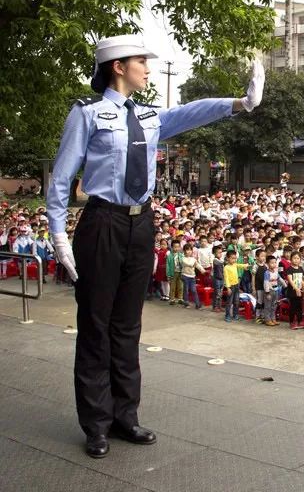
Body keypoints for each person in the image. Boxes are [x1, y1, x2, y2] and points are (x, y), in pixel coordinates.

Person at [46, 34, 265, 458]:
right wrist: (57, 234)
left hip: (140, 223)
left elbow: (192, 112)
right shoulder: (87, 113)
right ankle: (95, 424)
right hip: (103, 221)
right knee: (96, 325)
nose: (147, 67)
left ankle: (125, 416)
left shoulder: (148, 117)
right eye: (140, 61)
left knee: (128, 325)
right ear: (117, 66)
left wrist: (240, 103)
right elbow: (60, 177)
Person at [286, 250, 304, 329]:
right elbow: (290, 280)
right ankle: (292, 322)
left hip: (300, 291)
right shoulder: (289, 269)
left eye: (298, 258)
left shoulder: (300, 268)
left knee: (299, 307)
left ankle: (300, 321)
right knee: (293, 307)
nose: (296, 260)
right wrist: (296, 288)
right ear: (291, 259)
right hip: (292, 291)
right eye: (294, 258)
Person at [263, 255, 285, 326]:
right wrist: (267, 293)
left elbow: (280, 279)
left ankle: (273, 319)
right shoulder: (267, 273)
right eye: (272, 263)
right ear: (267, 264)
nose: (274, 264)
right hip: (269, 291)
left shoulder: (276, 272)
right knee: (268, 306)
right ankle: (267, 320)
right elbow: (266, 283)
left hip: (276, 290)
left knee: (274, 305)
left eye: (275, 262)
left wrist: (285, 285)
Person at [181, 243, 204, 309]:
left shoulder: (193, 259)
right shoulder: (183, 258)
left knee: (194, 290)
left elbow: (198, 265)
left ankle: (198, 304)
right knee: (186, 290)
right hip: (185, 276)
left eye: (189, 250)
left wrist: (203, 270)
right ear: (184, 251)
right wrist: (194, 264)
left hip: (192, 277)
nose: (188, 251)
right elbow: (189, 264)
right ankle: (186, 303)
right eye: (186, 250)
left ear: (192, 251)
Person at [166, 239, 184, 305]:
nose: (176, 248)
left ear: (180, 247)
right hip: (173, 273)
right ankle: (172, 299)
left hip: (180, 272)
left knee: (181, 286)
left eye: (178, 247)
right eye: (175, 247)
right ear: (172, 247)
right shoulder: (169, 256)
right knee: (172, 287)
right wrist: (168, 274)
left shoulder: (181, 255)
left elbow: (184, 263)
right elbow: (167, 266)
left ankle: (180, 298)